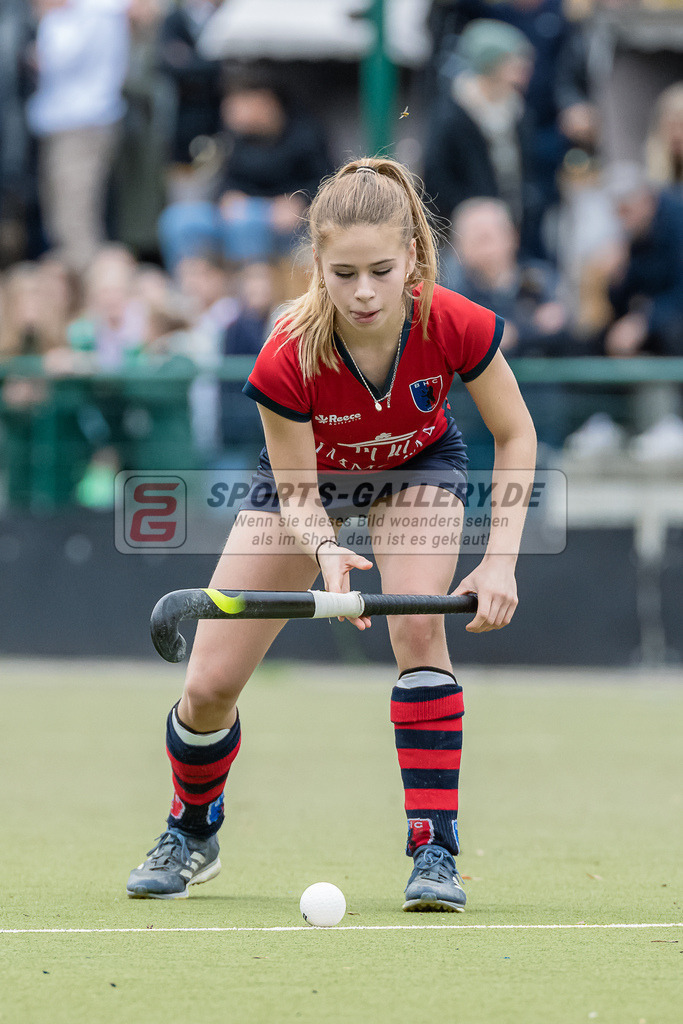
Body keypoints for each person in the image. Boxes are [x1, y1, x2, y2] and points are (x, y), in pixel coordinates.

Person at [126, 157, 537, 912]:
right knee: (209, 684)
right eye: (342, 273)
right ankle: (192, 829)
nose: (363, 293)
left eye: (381, 270)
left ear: (411, 254)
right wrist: (321, 546)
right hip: (308, 487)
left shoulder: (451, 320)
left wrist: (499, 560)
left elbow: (514, 435)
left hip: (418, 467)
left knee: (418, 637)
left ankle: (433, 849)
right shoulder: (288, 350)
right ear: (315, 264)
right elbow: (295, 489)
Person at [422, 18, 543, 258]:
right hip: (465, 237)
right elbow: (436, 176)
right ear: (493, 64)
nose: (525, 70)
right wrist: (472, 215)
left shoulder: (517, 111)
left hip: (512, 229)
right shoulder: (454, 113)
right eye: (515, 63)